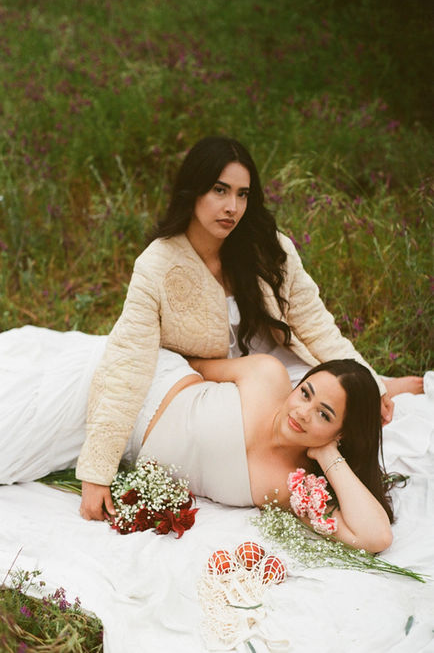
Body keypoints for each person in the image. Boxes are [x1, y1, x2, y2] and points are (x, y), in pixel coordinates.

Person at [75, 135, 423, 520]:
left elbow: (315, 324)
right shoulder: (156, 265)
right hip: (207, 379)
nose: (232, 207)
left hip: (268, 366)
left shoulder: (269, 248)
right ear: (193, 189)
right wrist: (97, 472)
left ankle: (384, 383)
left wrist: (370, 384)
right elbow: (127, 364)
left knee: (346, 408)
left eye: (242, 194)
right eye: (220, 190)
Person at [0, 325, 393, 553]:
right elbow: (194, 364)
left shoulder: (294, 487)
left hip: (118, 442)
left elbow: (375, 536)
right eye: (305, 393)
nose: (302, 412)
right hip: (127, 387)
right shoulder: (267, 376)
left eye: (324, 414)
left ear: (341, 433)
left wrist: (327, 455)